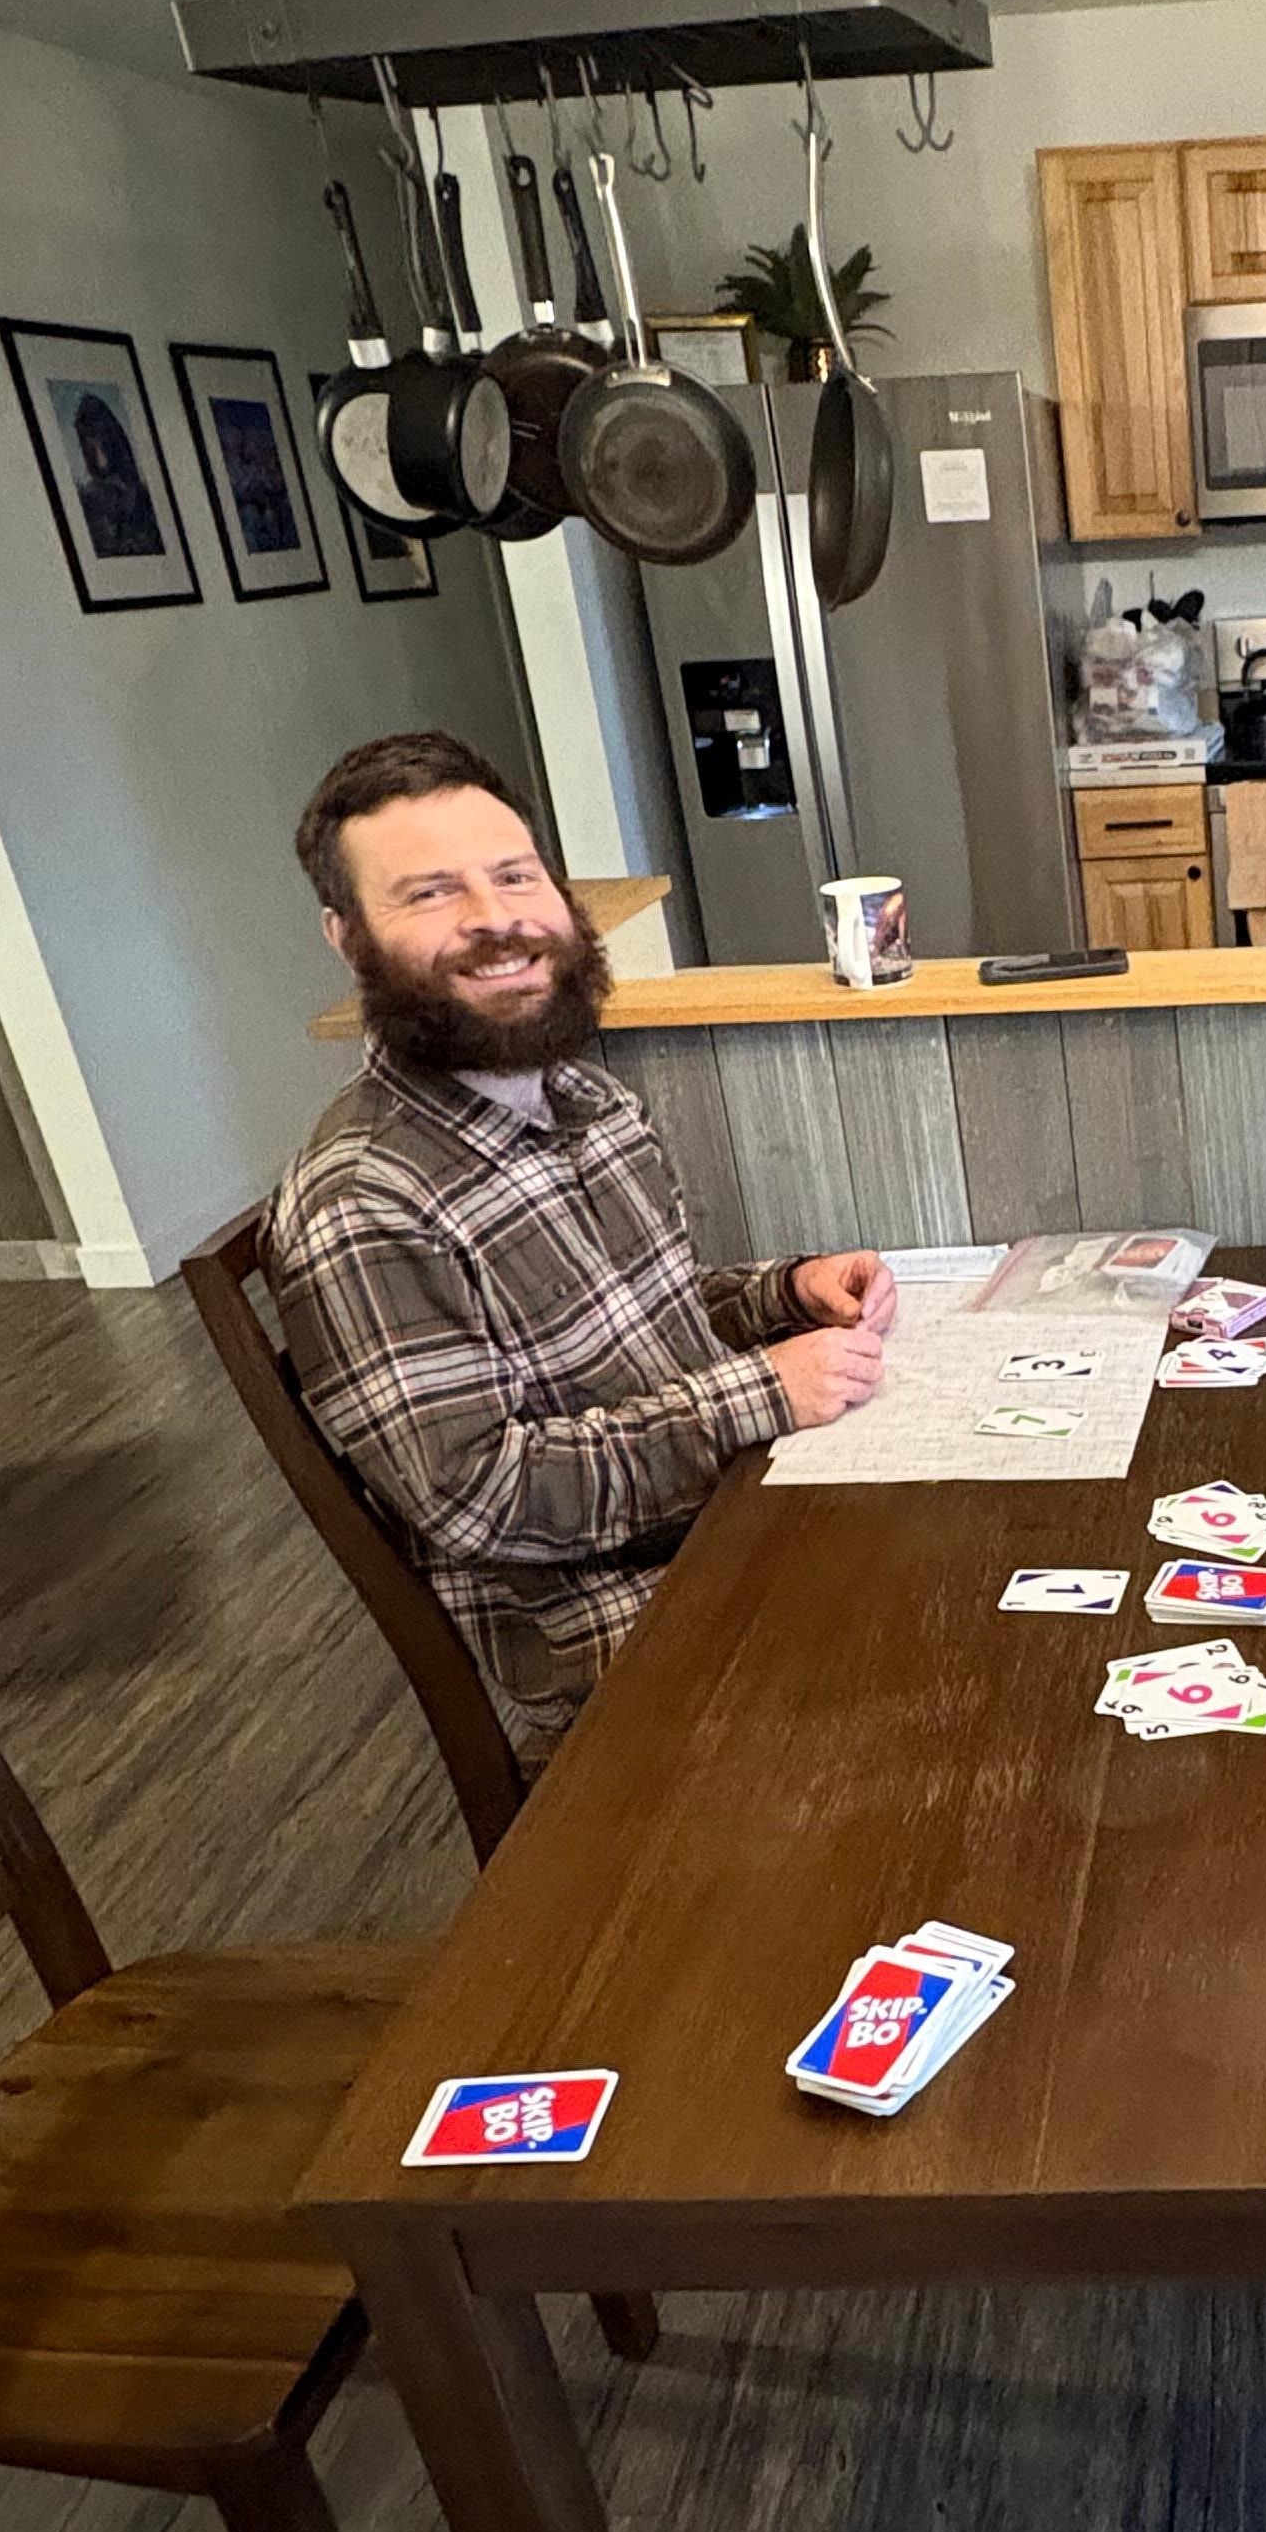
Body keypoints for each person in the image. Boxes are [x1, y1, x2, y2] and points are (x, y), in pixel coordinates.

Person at [267, 730, 896, 1772]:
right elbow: (483, 1495)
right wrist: (763, 1393)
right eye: (430, 894)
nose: (496, 918)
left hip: (743, 1522)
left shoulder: (586, 1099)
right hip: (632, 1645)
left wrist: (786, 1295)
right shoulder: (363, 1200)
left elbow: (641, 1325)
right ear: (348, 938)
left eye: (515, 876)